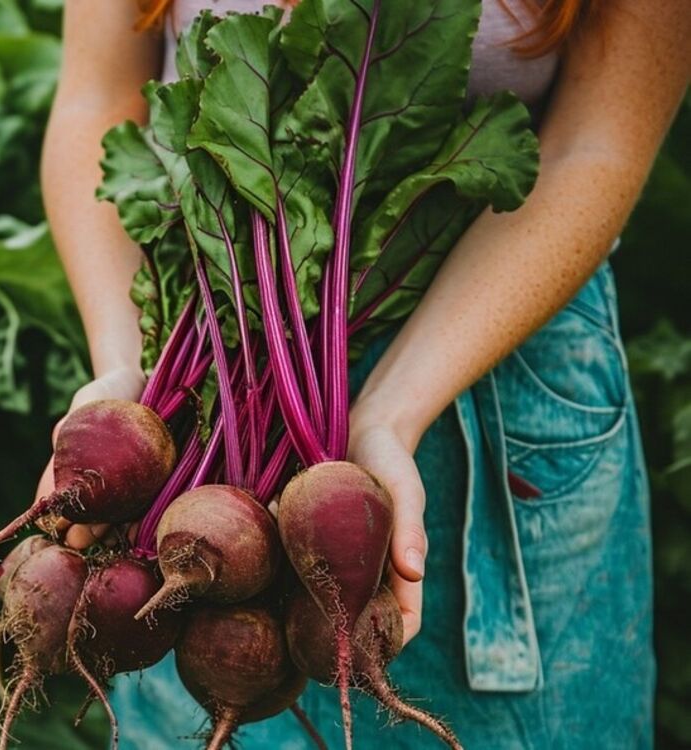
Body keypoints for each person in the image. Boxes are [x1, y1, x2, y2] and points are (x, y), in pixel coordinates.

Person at [37, 1, 690, 747]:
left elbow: (595, 145)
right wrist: (128, 378)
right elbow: (97, 101)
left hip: (492, 390)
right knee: (190, 659)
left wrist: (386, 417)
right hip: (200, 439)